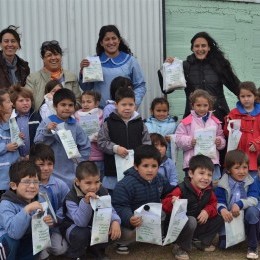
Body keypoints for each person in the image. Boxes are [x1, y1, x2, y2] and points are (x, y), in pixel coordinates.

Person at [166, 31, 240, 123]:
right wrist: (171, 67)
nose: (200, 49)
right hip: (194, 117)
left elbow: (237, 87)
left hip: (218, 115)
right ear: (192, 48)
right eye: (197, 46)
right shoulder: (185, 66)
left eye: (203, 45)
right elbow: (168, 89)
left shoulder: (219, 65)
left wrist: (254, 98)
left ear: (209, 48)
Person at [112, 145, 174, 255]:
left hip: (150, 218)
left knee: (164, 212)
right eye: (145, 166)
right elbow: (120, 206)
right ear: (136, 166)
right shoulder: (125, 185)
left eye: (154, 166)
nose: (150, 170)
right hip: (133, 221)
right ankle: (123, 242)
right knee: (127, 231)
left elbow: (168, 193)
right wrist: (129, 218)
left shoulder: (160, 179)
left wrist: (174, 197)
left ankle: (157, 235)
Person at [162, 155, 224, 260]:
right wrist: (172, 203)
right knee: (191, 220)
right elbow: (165, 205)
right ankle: (180, 247)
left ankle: (201, 242)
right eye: (201, 173)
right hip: (179, 228)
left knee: (220, 217)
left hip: (197, 224)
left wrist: (207, 211)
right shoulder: (180, 189)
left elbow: (213, 204)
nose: (206, 178)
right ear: (191, 173)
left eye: (209, 175)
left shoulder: (209, 191)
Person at [60, 161, 121, 259]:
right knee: (82, 234)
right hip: (74, 228)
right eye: (88, 183)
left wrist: (115, 221)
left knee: (114, 228)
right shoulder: (71, 198)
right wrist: (86, 202)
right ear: (77, 182)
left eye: (97, 182)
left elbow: (110, 209)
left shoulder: (103, 191)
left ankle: (96, 250)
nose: (93, 187)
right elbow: (81, 223)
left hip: (93, 226)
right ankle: (76, 254)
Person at [34, 88, 90, 188]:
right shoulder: (47, 122)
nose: (67, 108)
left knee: (68, 199)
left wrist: (79, 164)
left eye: (70, 105)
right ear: (55, 106)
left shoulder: (75, 126)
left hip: (71, 173)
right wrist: (47, 132)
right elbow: (37, 143)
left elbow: (85, 146)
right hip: (51, 172)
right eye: (63, 105)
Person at [97, 87, 151, 192]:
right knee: (114, 200)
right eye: (123, 104)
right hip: (113, 173)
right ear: (116, 105)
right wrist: (115, 148)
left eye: (131, 105)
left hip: (136, 171)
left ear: (135, 105)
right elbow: (101, 142)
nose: (127, 108)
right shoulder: (108, 123)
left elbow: (147, 144)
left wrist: (139, 155)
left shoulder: (140, 124)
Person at [79, 25, 146, 108]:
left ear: (119, 40)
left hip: (124, 113)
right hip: (100, 113)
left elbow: (140, 86)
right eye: (107, 39)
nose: (111, 42)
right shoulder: (93, 62)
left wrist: (132, 104)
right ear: (101, 43)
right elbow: (86, 88)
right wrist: (83, 73)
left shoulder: (130, 61)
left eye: (114, 38)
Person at [0, 160, 53, 260]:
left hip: (24, 239)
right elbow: (14, 233)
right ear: (13, 185)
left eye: (36, 182)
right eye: (27, 182)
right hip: (8, 242)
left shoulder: (39, 199)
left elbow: (42, 224)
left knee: (42, 232)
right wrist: (27, 209)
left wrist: (47, 222)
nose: (32, 186)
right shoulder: (6, 204)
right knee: (11, 240)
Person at [215, 150, 258, 259]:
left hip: (246, 215)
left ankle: (252, 246)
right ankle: (230, 236)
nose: (242, 171)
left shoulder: (251, 181)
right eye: (237, 168)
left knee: (253, 211)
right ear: (229, 170)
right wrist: (223, 210)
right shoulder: (222, 184)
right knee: (224, 246)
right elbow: (219, 201)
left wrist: (239, 204)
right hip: (229, 218)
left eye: (245, 167)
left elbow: (254, 199)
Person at [175, 89, 226, 182]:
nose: (202, 108)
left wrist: (219, 142)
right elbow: (178, 139)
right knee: (193, 187)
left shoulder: (215, 121)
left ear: (209, 106)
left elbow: (221, 137)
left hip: (212, 161)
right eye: (198, 105)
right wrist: (190, 141)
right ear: (192, 105)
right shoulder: (186, 122)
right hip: (193, 162)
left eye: (205, 105)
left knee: (212, 187)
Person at [29, 143, 70, 259]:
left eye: (50, 164)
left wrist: (56, 218)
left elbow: (66, 206)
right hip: (33, 230)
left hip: (54, 227)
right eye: (41, 164)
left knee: (60, 249)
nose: (46, 168)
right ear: (32, 164)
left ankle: (50, 244)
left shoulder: (60, 185)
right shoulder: (28, 186)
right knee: (39, 254)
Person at [25, 40, 81, 110]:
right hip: (42, 119)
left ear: (61, 56)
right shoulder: (33, 78)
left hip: (68, 119)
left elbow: (79, 101)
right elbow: (26, 100)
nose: (53, 58)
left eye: (56, 54)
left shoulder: (71, 77)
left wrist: (66, 109)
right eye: (49, 55)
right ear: (43, 59)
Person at [224, 81, 260, 178]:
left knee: (253, 181)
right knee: (237, 180)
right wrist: (227, 123)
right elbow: (227, 134)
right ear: (239, 97)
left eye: (249, 96)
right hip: (238, 153)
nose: (246, 99)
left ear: (255, 96)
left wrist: (257, 143)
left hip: (255, 154)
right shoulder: (233, 113)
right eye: (243, 96)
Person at [74, 90, 104, 179]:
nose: (85, 104)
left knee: (98, 180)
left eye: (89, 102)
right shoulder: (76, 116)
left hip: (98, 155)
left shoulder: (103, 116)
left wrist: (100, 137)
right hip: (83, 157)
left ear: (96, 103)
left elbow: (107, 134)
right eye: (83, 102)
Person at [9, 84, 41, 159]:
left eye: (27, 100)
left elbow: (40, 137)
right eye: (21, 101)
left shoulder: (36, 116)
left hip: (33, 157)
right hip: (15, 158)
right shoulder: (10, 119)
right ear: (13, 103)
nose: (25, 103)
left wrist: (33, 155)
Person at [0, 90, 20, 196]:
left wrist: (19, 139)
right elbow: (7, 146)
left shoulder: (12, 122)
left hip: (14, 176)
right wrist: (5, 147)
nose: (12, 104)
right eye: (8, 102)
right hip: (2, 180)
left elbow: (16, 145)